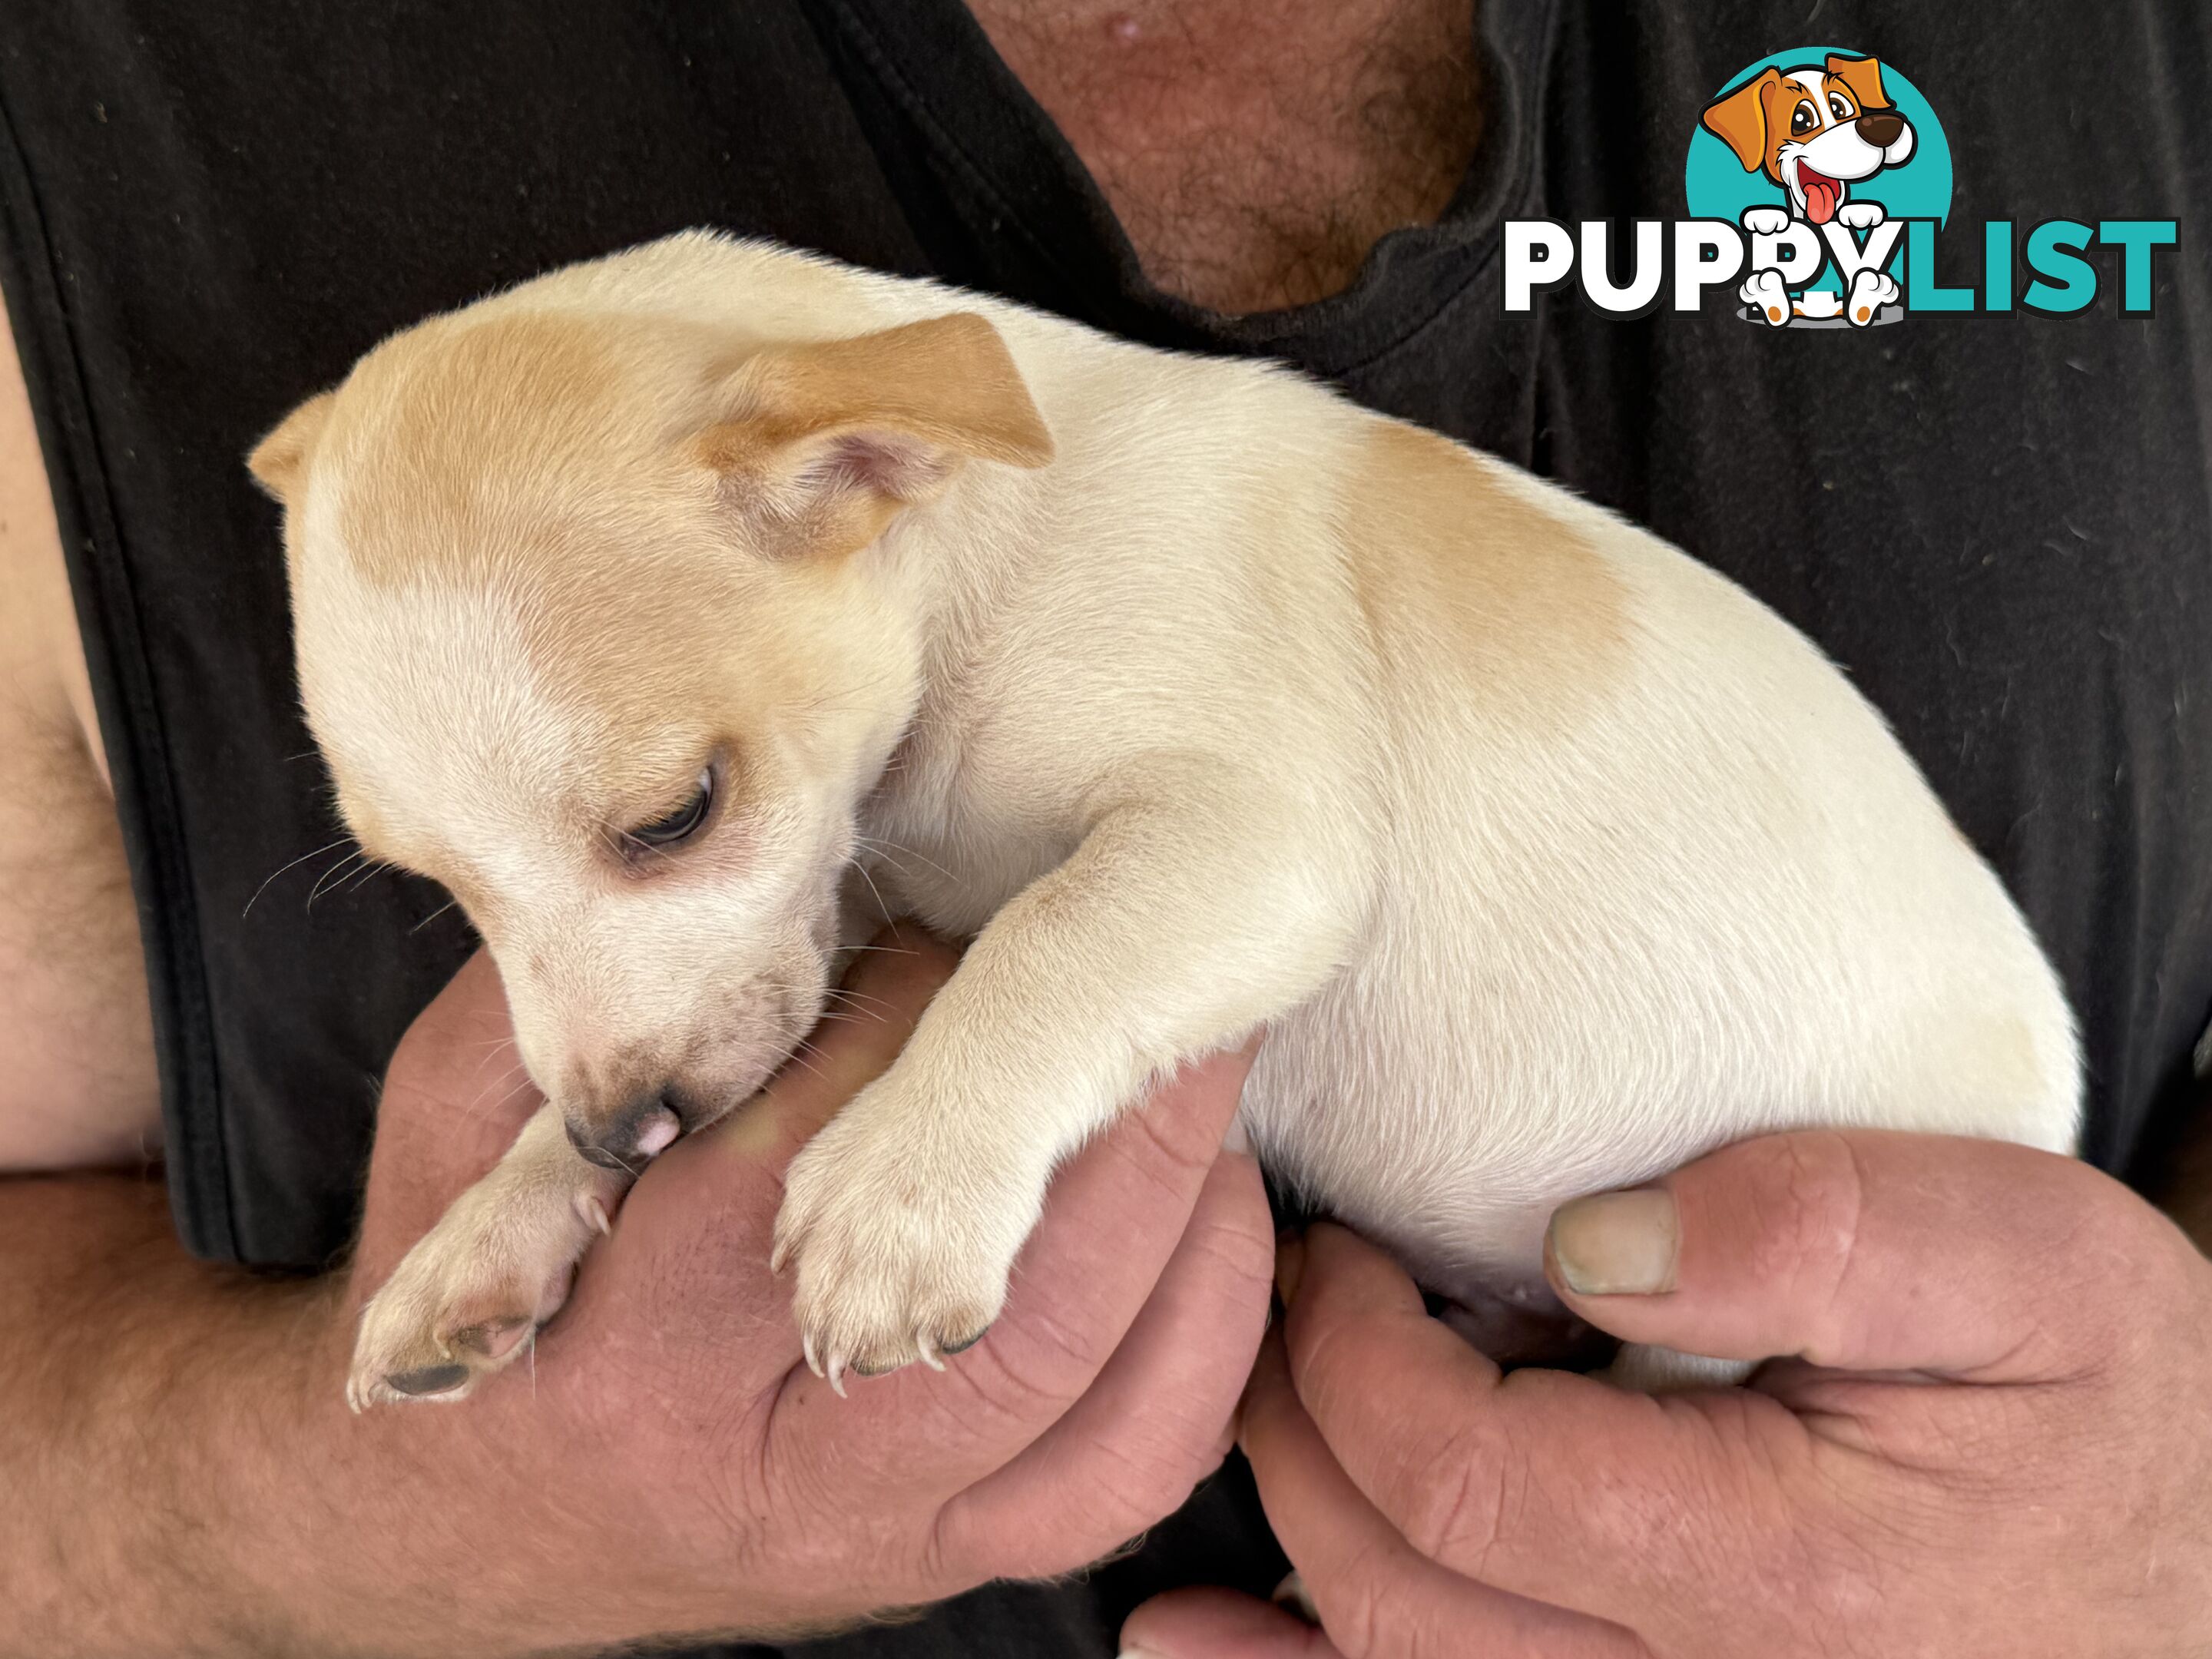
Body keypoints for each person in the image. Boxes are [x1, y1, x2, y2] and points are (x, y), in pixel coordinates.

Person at [2, 2, 2207, 1654]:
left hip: (1889, 1120)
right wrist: (416, 1461)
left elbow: (1262, 865)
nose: (599, 1034)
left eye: (667, 814)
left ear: (875, 465)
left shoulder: (1120, 521)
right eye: (457, 891)